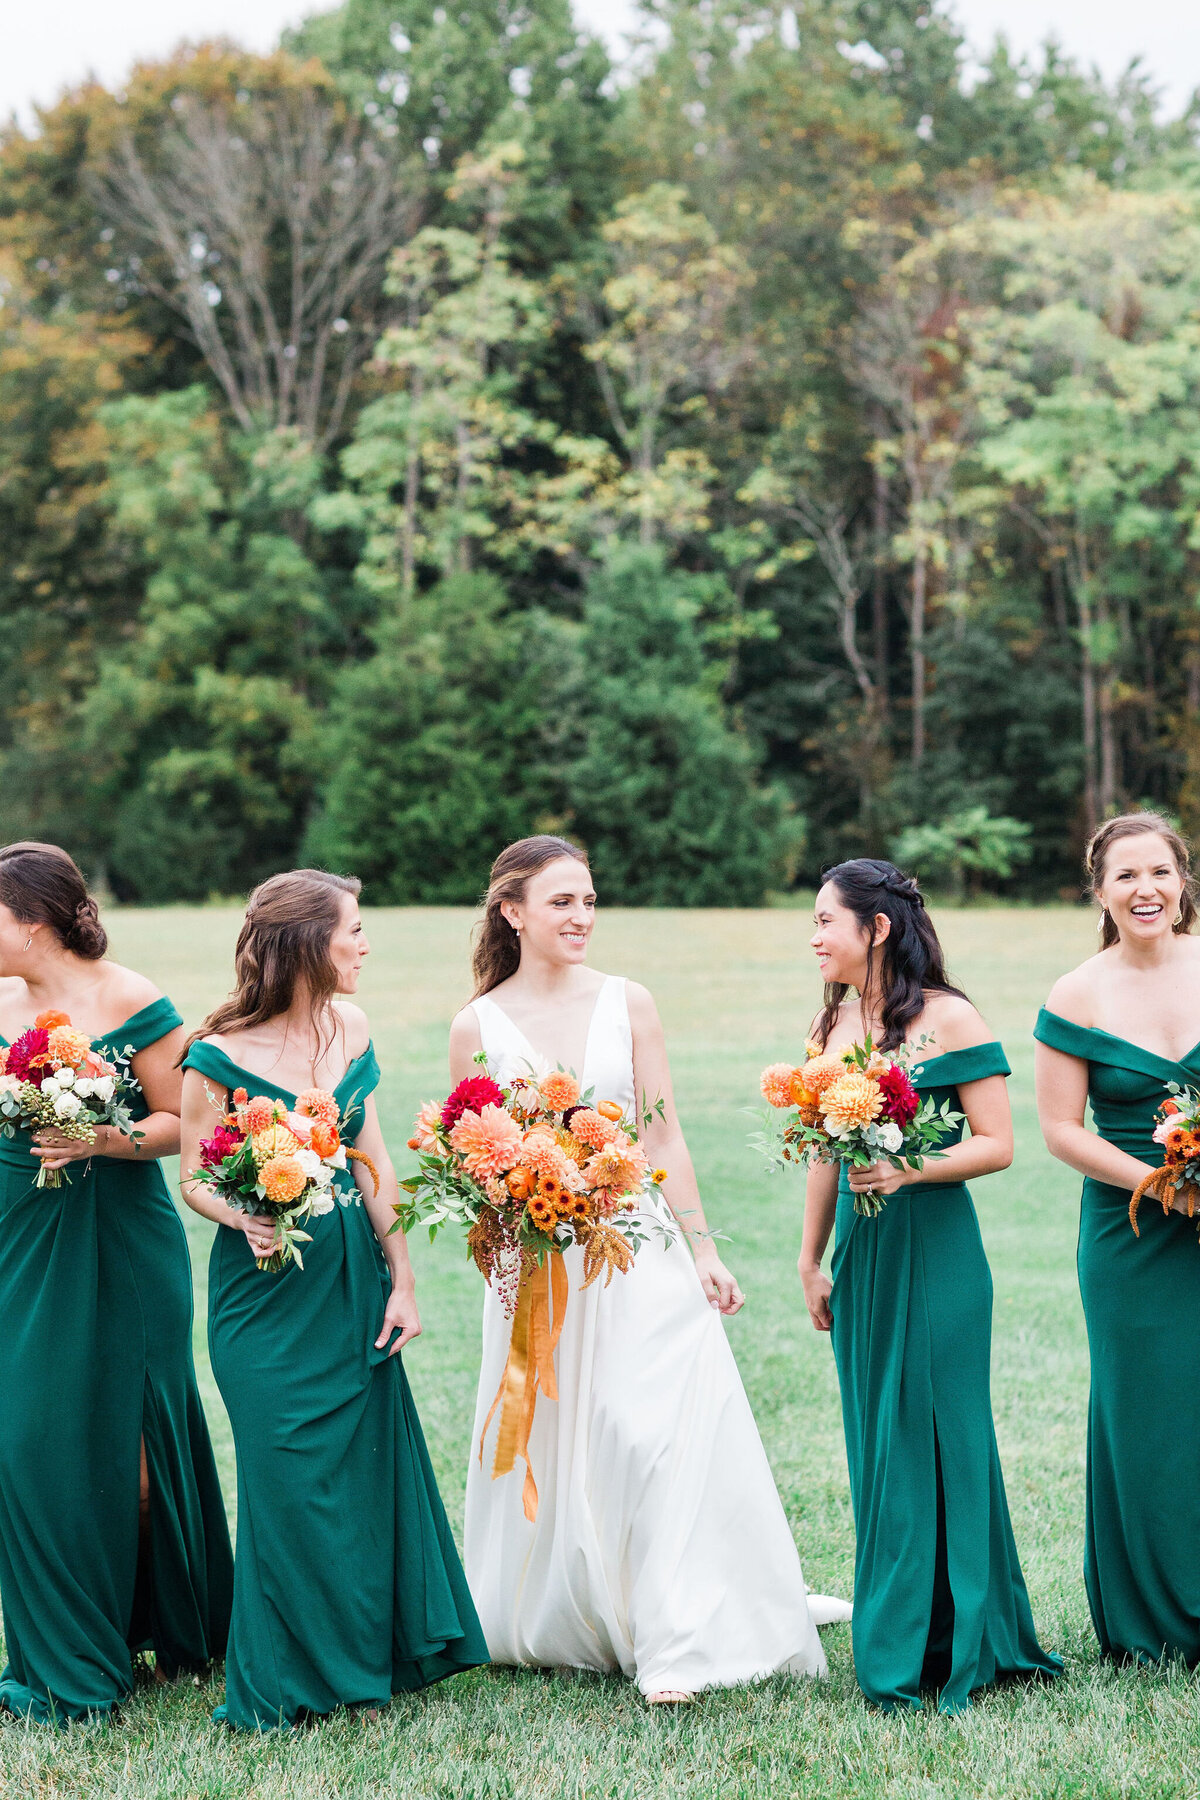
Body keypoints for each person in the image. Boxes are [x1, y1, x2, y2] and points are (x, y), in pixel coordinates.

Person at [451, 835, 847, 1706]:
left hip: (637, 1246)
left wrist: (703, 1248)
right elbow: (469, 1153)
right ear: (511, 911)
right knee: (562, 1436)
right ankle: (575, 1607)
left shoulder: (629, 1002)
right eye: (561, 902)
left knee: (647, 1430)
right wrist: (505, 1233)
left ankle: (678, 1635)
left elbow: (661, 1132)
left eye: (590, 900)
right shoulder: (475, 1026)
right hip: (539, 1263)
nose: (582, 917)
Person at [180, 869, 486, 1730]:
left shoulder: (350, 1024)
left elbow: (372, 1160)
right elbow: (193, 1175)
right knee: (285, 1479)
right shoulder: (216, 1054)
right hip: (264, 1292)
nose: (363, 944)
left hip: (352, 1277)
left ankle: (361, 1662)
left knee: (356, 1475)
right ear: (304, 943)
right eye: (352, 929)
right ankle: (282, 1677)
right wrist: (242, 1212)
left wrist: (405, 1278)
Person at [798, 858, 1060, 1712]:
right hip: (864, 1259)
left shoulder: (950, 1018)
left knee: (944, 1437)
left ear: (876, 928)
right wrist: (812, 1257)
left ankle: (960, 1638)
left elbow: (997, 1143)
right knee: (882, 1444)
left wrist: (910, 1171)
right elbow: (824, 1156)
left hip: (940, 1250)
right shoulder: (833, 1027)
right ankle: (908, 1628)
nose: (815, 938)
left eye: (826, 921)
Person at [0, 841, 232, 1724]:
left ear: (32, 919)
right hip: (20, 1237)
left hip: (121, 1239)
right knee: (29, 1440)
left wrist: (101, 1137)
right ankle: (62, 1650)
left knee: (133, 1447)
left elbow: (185, 1123)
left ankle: (164, 1624)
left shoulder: (131, 1000)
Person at [1035, 811, 1200, 1667]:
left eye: (1160, 873)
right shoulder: (1078, 992)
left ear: (1184, 882)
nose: (1146, 890)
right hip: (1132, 1231)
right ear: (1099, 891)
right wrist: (1162, 1187)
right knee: (1148, 1419)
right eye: (1126, 876)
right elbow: (1061, 1128)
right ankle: (1157, 1621)